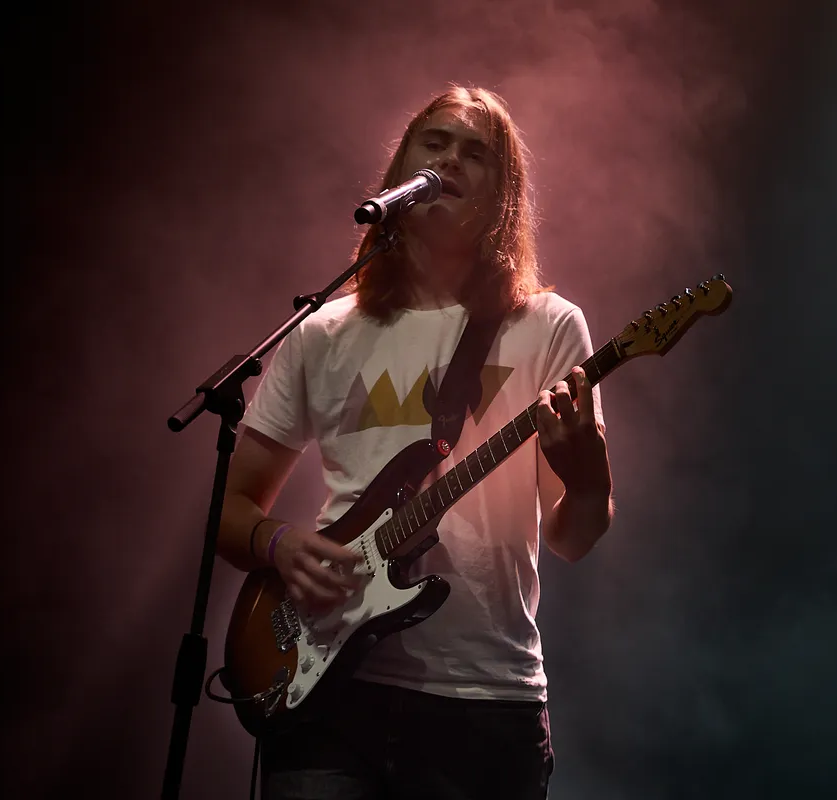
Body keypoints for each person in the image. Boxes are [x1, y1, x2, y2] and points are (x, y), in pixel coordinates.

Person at [217, 84, 614, 799]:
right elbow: (231, 511)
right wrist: (280, 545)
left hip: (484, 701)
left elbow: (573, 537)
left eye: (476, 153)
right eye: (435, 143)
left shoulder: (549, 326)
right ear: (401, 166)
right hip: (329, 691)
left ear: (503, 195)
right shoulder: (323, 331)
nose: (450, 160)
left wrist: (587, 472)